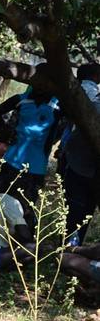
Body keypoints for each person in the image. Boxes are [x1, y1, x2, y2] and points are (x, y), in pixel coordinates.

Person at [0, 85, 62, 209]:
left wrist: (55, 139)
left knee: (26, 209)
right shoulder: (22, 99)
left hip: (36, 168)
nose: (41, 84)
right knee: (1, 204)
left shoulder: (58, 105)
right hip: (11, 161)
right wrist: (4, 133)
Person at [61, 64, 100, 243]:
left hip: (82, 166)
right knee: (78, 210)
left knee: (80, 211)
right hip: (81, 165)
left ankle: (71, 246)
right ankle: (69, 247)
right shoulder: (94, 103)